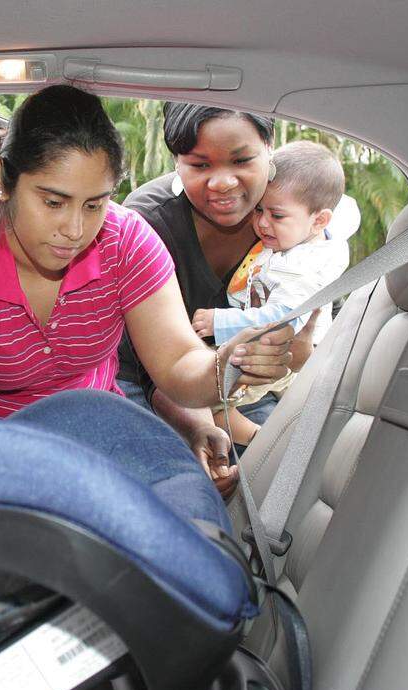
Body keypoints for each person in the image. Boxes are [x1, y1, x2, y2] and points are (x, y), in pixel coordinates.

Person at [0, 85, 292, 494]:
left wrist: (224, 364)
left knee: (188, 508)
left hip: (102, 436)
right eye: (53, 202)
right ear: (4, 178)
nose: (74, 231)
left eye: (94, 205)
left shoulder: (126, 241)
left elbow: (177, 361)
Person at [117, 103, 317, 448]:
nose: (223, 183)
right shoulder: (148, 223)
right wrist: (200, 427)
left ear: (269, 147)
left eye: (242, 161)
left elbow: (305, 345)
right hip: (149, 385)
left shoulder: (292, 217)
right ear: (176, 162)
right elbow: (155, 369)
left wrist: (295, 353)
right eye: (199, 164)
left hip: (248, 388)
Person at [190, 140, 350, 449]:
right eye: (259, 210)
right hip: (282, 356)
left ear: (319, 220)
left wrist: (219, 322)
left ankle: (262, 443)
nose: (262, 223)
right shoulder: (294, 243)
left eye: (277, 215)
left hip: (281, 356)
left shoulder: (302, 267)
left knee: (208, 398)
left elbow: (283, 319)